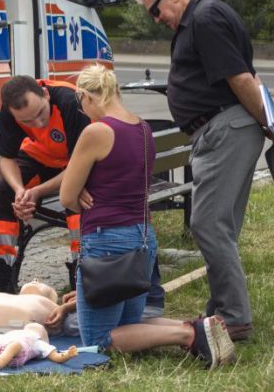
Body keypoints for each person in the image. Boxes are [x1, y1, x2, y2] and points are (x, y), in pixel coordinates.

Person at [133, 0, 274, 342]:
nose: (156, 19)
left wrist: (267, 123)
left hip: (224, 129)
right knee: (219, 224)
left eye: (155, 10)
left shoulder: (204, 18)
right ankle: (221, 310)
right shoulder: (204, 15)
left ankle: (233, 319)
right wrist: (266, 120)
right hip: (224, 128)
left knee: (208, 223)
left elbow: (241, 78)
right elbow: (247, 72)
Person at [58, 64, 235, 369]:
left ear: (87, 96)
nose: (83, 112)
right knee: (128, 326)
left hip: (106, 243)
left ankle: (187, 334)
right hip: (141, 239)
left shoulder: (96, 131)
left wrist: (83, 190)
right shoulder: (142, 128)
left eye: (80, 104)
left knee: (98, 340)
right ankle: (200, 326)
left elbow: (66, 198)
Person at [0, 76, 89, 293]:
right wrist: (20, 191)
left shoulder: (70, 101)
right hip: (40, 156)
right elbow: (7, 158)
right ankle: (0, 282)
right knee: (0, 190)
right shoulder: (10, 107)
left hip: (77, 162)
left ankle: (84, 273)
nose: (38, 124)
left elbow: (79, 166)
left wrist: (38, 191)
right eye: (28, 122)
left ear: (46, 95)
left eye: (41, 113)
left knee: (77, 194)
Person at [0, 322, 78, 370]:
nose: (31, 327)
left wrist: (67, 354)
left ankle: (0, 363)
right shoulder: (15, 334)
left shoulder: (39, 343)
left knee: (14, 345)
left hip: (16, 355)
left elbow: (56, 357)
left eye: (36, 327)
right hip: (2, 345)